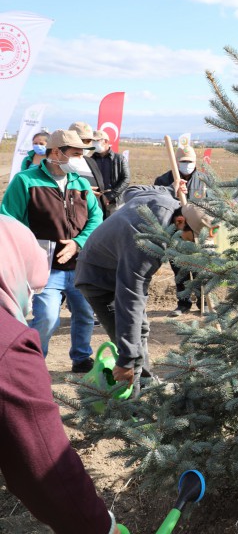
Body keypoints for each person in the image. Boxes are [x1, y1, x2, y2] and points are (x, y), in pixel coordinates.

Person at [0, 215, 120, 534]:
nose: (31, 300)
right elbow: (43, 463)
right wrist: (98, 525)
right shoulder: (7, 343)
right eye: (29, 286)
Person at [75, 184, 214, 393]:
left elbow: (133, 190)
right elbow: (129, 301)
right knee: (133, 346)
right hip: (98, 278)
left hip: (117, 265)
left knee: (142, 330)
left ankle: (148, 385)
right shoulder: (146, 245)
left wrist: (171, 188)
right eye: (192, 239)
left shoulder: (164, 199)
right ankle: (134, 406)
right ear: (180, 222)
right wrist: (125, 361)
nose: (192, 247)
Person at [0, 129, 103, 373]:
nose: (81, 159)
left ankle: (81, 358)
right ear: (56, 152)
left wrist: (78, 243)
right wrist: (28, 252)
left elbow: (96, 217)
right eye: (76, 154)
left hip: (79, 266)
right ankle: (33, 364)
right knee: (47, 318)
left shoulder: (80, 182)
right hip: (46, 269)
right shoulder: (25, 181)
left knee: (85, 314)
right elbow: (8, 221)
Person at [153, 144, 209, 317]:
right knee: (180, 270)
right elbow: (158, 204)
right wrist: (173, 191)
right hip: (176, 230)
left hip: (198, 232)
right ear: (176, 162)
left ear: (195, 161)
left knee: (200, 269)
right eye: (183, 161)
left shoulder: (204, 179)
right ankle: (183, 304)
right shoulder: (163, 180)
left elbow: (212, 206)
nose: (187, 164)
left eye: (190, 161)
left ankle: (203, 304)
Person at [90, 129, 131, 217]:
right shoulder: (90, 160)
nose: (93, 143)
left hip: (116, 203)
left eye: (96, 141)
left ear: (105, 141)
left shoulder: (119, 159)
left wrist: (109, 196)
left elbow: (126, 179)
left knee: (114, 228)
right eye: (92, 141)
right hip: (96, 201)